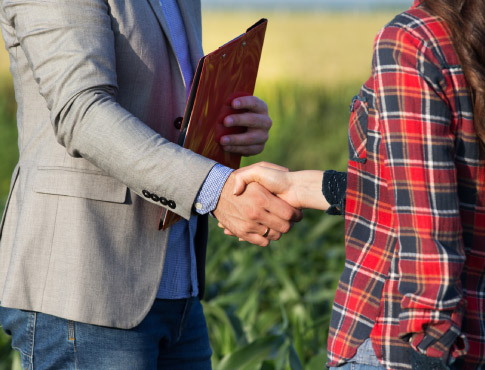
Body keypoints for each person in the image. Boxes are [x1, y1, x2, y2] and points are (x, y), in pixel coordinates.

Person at [0, 0, 302, 369]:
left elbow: (164, 101)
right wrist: (214, 189)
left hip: (178, 287)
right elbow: (81, 112)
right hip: (86, 289)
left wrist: (228, 126)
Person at [227, 0, 485, 369]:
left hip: (399, 348)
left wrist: (430, 345)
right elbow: (436, 186)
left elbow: (429, 239)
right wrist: (302, 187)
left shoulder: (414, 40)